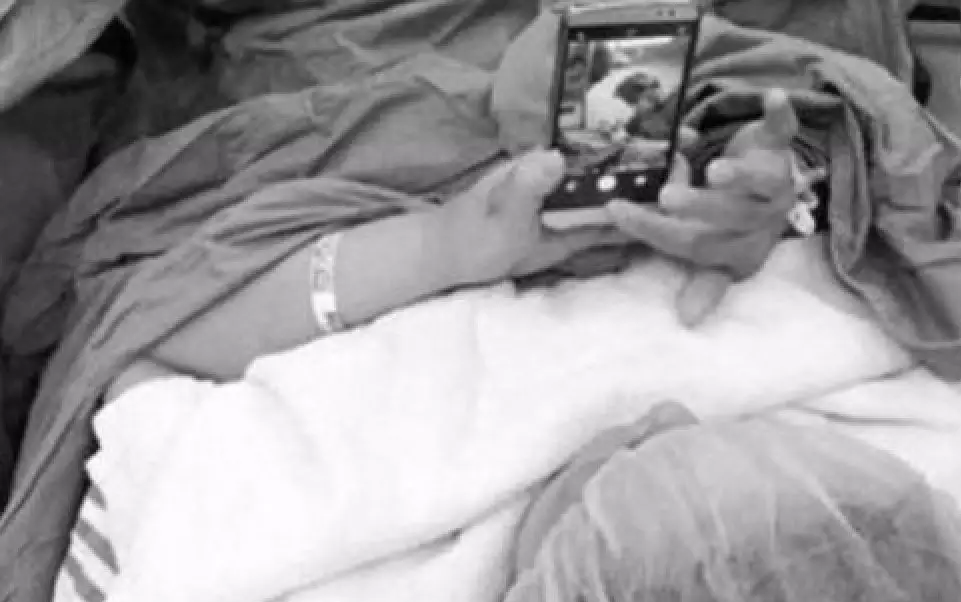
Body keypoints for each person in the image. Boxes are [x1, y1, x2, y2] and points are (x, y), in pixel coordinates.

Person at [109, 88, 811, 395]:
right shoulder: (294, 80)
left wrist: (764, 193)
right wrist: (437, 249)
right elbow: (155, 323)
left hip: (700, 324)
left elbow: (800, 88)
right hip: (357, 361)